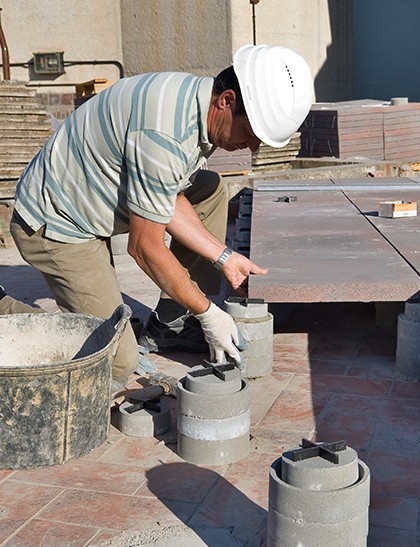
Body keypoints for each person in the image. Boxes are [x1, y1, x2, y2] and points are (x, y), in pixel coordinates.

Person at [7, 44, 315, 392]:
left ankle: (171, 323)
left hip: (93, 201)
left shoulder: (196, 106)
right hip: (57, 224)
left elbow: (167, 196)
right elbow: (145, 247)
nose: (253, 147)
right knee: (115, 360)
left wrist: (225, 257)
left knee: (209, 190)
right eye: (251, 134)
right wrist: (208, 313)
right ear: (226, 101)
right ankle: (6, 313)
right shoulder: (165, 133)